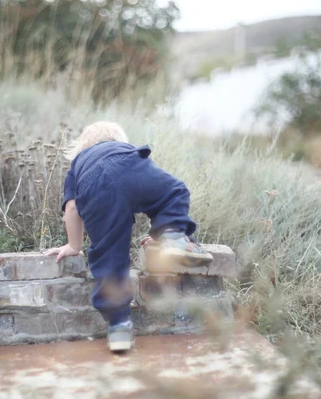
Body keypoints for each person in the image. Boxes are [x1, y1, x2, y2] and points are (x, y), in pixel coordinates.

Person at [45, 121, 212, 352]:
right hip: (132, 163)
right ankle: (171, 234)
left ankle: (119, 328)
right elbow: (160, 191)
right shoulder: (123, 149)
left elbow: (72, 209)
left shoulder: (78, 164)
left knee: (109, 256)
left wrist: (74, 245)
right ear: (119, 140)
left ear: (82, 146)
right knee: (173, 192)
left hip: (95, 185)